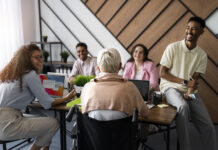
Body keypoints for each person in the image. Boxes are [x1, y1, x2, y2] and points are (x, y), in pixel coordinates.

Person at [0, 44, 76, 150]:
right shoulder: (30, 74)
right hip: (8, 124)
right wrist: (67, 97)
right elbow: (47, 103)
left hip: (6, 119)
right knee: (53, 123)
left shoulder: (12, 73)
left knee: (46, 122)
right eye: (36, 57)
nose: (40, 60)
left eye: (41, 57)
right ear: (26, 59)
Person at [159, 16, 217, 150]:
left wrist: (190, 92)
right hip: (170, 88)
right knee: (183, 107)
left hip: (190, 92)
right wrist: (184, 82)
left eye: (194, 29)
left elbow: (195, 79)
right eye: (188, 28)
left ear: (202, 32)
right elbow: (162, 73)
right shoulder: (173, 48)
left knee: (208, 125)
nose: (189, 32)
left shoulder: (202, 55)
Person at [81, 48, 149, 120]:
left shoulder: (87, 87)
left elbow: (84, 112)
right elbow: (145, 114)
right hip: (123, 131)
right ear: (120, 66)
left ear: (98, 68)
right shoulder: (130, 87)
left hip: (93, 130)